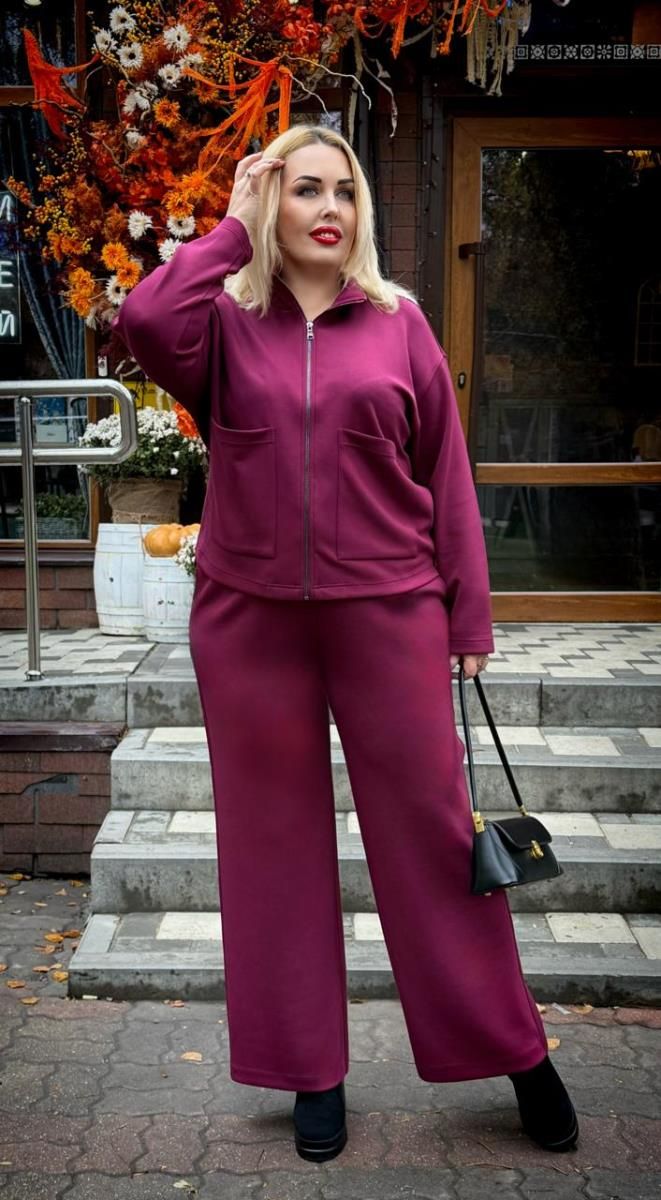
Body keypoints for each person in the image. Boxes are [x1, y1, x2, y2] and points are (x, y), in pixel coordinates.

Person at [111, 122, 579, 1163]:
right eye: (305, 189)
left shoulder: (399, 323)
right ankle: (310, 1073)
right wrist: (230, 229)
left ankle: (516, 1052)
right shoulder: (224, 325)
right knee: (271, 848)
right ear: (271, 204)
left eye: (345, 191)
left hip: (390, 612)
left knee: (434, 840)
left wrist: (467, 616)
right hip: (249, 623)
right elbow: (143, 319)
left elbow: (444, 471)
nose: (329, 208)